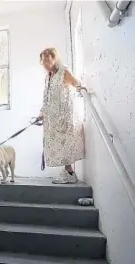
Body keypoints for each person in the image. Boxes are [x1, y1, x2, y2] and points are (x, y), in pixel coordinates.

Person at [38, 47, 85, 184]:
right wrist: (42, 113)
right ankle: (69, 173)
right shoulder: (48, 77)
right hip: (52, 118)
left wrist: (80, 88)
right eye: (43, 61)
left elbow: (76, 83)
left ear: (55, 59)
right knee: (58, 144)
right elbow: (46, 98)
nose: (45, 63)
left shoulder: (64, 71)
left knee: (66, 143)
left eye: (48, 60)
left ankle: (69, 173)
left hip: (64, 115)